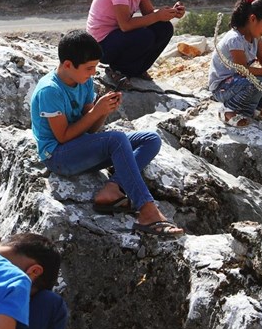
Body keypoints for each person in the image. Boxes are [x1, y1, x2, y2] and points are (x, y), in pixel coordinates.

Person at [29, 30, 184, 237]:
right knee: (117, 139)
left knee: (150, 140)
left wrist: (103, 111)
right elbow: (63, 137)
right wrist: (96, 112)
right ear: (67, 65)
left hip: (78, 146)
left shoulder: (84, 81)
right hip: (57, 156)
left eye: (95, 67)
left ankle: (113, 187)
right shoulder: (50, 90)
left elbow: (92, 129)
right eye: (89, 68)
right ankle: (147, 211)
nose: (93, 73)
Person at [85, 0, 186, 89]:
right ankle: (117, 70)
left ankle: (136, 70)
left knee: (164, 28)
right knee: (145, 35)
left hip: (117, 38)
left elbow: (150, 14)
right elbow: (126, 25)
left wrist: (170, 13)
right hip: (101, 45)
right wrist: (157, 16)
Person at [208, 0, 262, 127]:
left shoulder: (255, 37)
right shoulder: (235, 40)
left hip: (238, 83)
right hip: (222, 88)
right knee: (258, 81)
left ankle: (255, 109)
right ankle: (228, 111)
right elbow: (243, 70)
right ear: (253, 19)